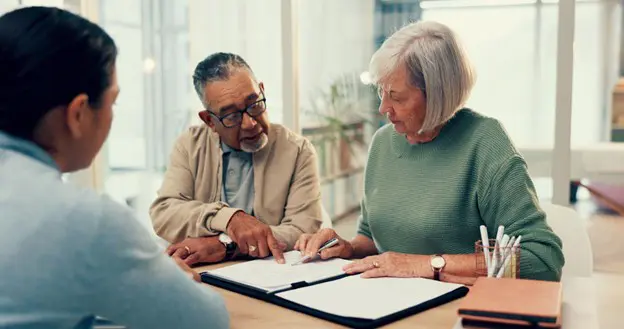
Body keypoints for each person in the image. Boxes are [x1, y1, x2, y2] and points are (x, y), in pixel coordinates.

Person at [0, 7, 228, 329]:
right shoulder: (84, 219)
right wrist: (169, 280)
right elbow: (206, 322)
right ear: (78, 114)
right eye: (113, 101)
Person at [295, 21, 565, 282]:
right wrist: (347, 248)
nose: (383, 108)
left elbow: (542, 259)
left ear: (438, 94)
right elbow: (373, 237)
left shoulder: (485, 143)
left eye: (396, 97)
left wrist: (425, 265)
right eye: (381, 92)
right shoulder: (382, 143)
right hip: (388, 304)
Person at [150, 52, 322, 265]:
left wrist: (225, 245)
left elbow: (302, 230)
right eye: (231, 115)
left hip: (271, 272)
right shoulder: (190, 145)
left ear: (262, 90)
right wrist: (230, 219)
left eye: (254, 104)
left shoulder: (298, 150)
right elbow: (165, 212)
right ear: (210, 121)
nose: (250, 123)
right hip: (203, 272)